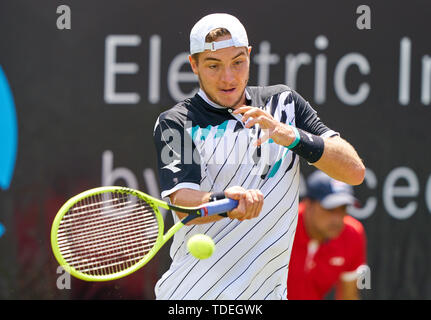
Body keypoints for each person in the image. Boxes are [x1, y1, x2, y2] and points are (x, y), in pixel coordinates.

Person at [152, 13, 365, 300]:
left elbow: (353, 171)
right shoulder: (177, 121)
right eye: (214, 66)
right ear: (194, 65)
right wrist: (225, 202)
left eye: (238, 62)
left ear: (250, 56)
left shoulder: (284, 104)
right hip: (193, 296)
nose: (228, 78)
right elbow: (183, 206)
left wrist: (288, 135)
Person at [287, 170, 367, 300]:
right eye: (329, 209)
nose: (337, 219)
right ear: (308, 204)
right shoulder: (284, 224)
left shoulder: (352, 234)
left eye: (343, 209)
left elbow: (348, 296)